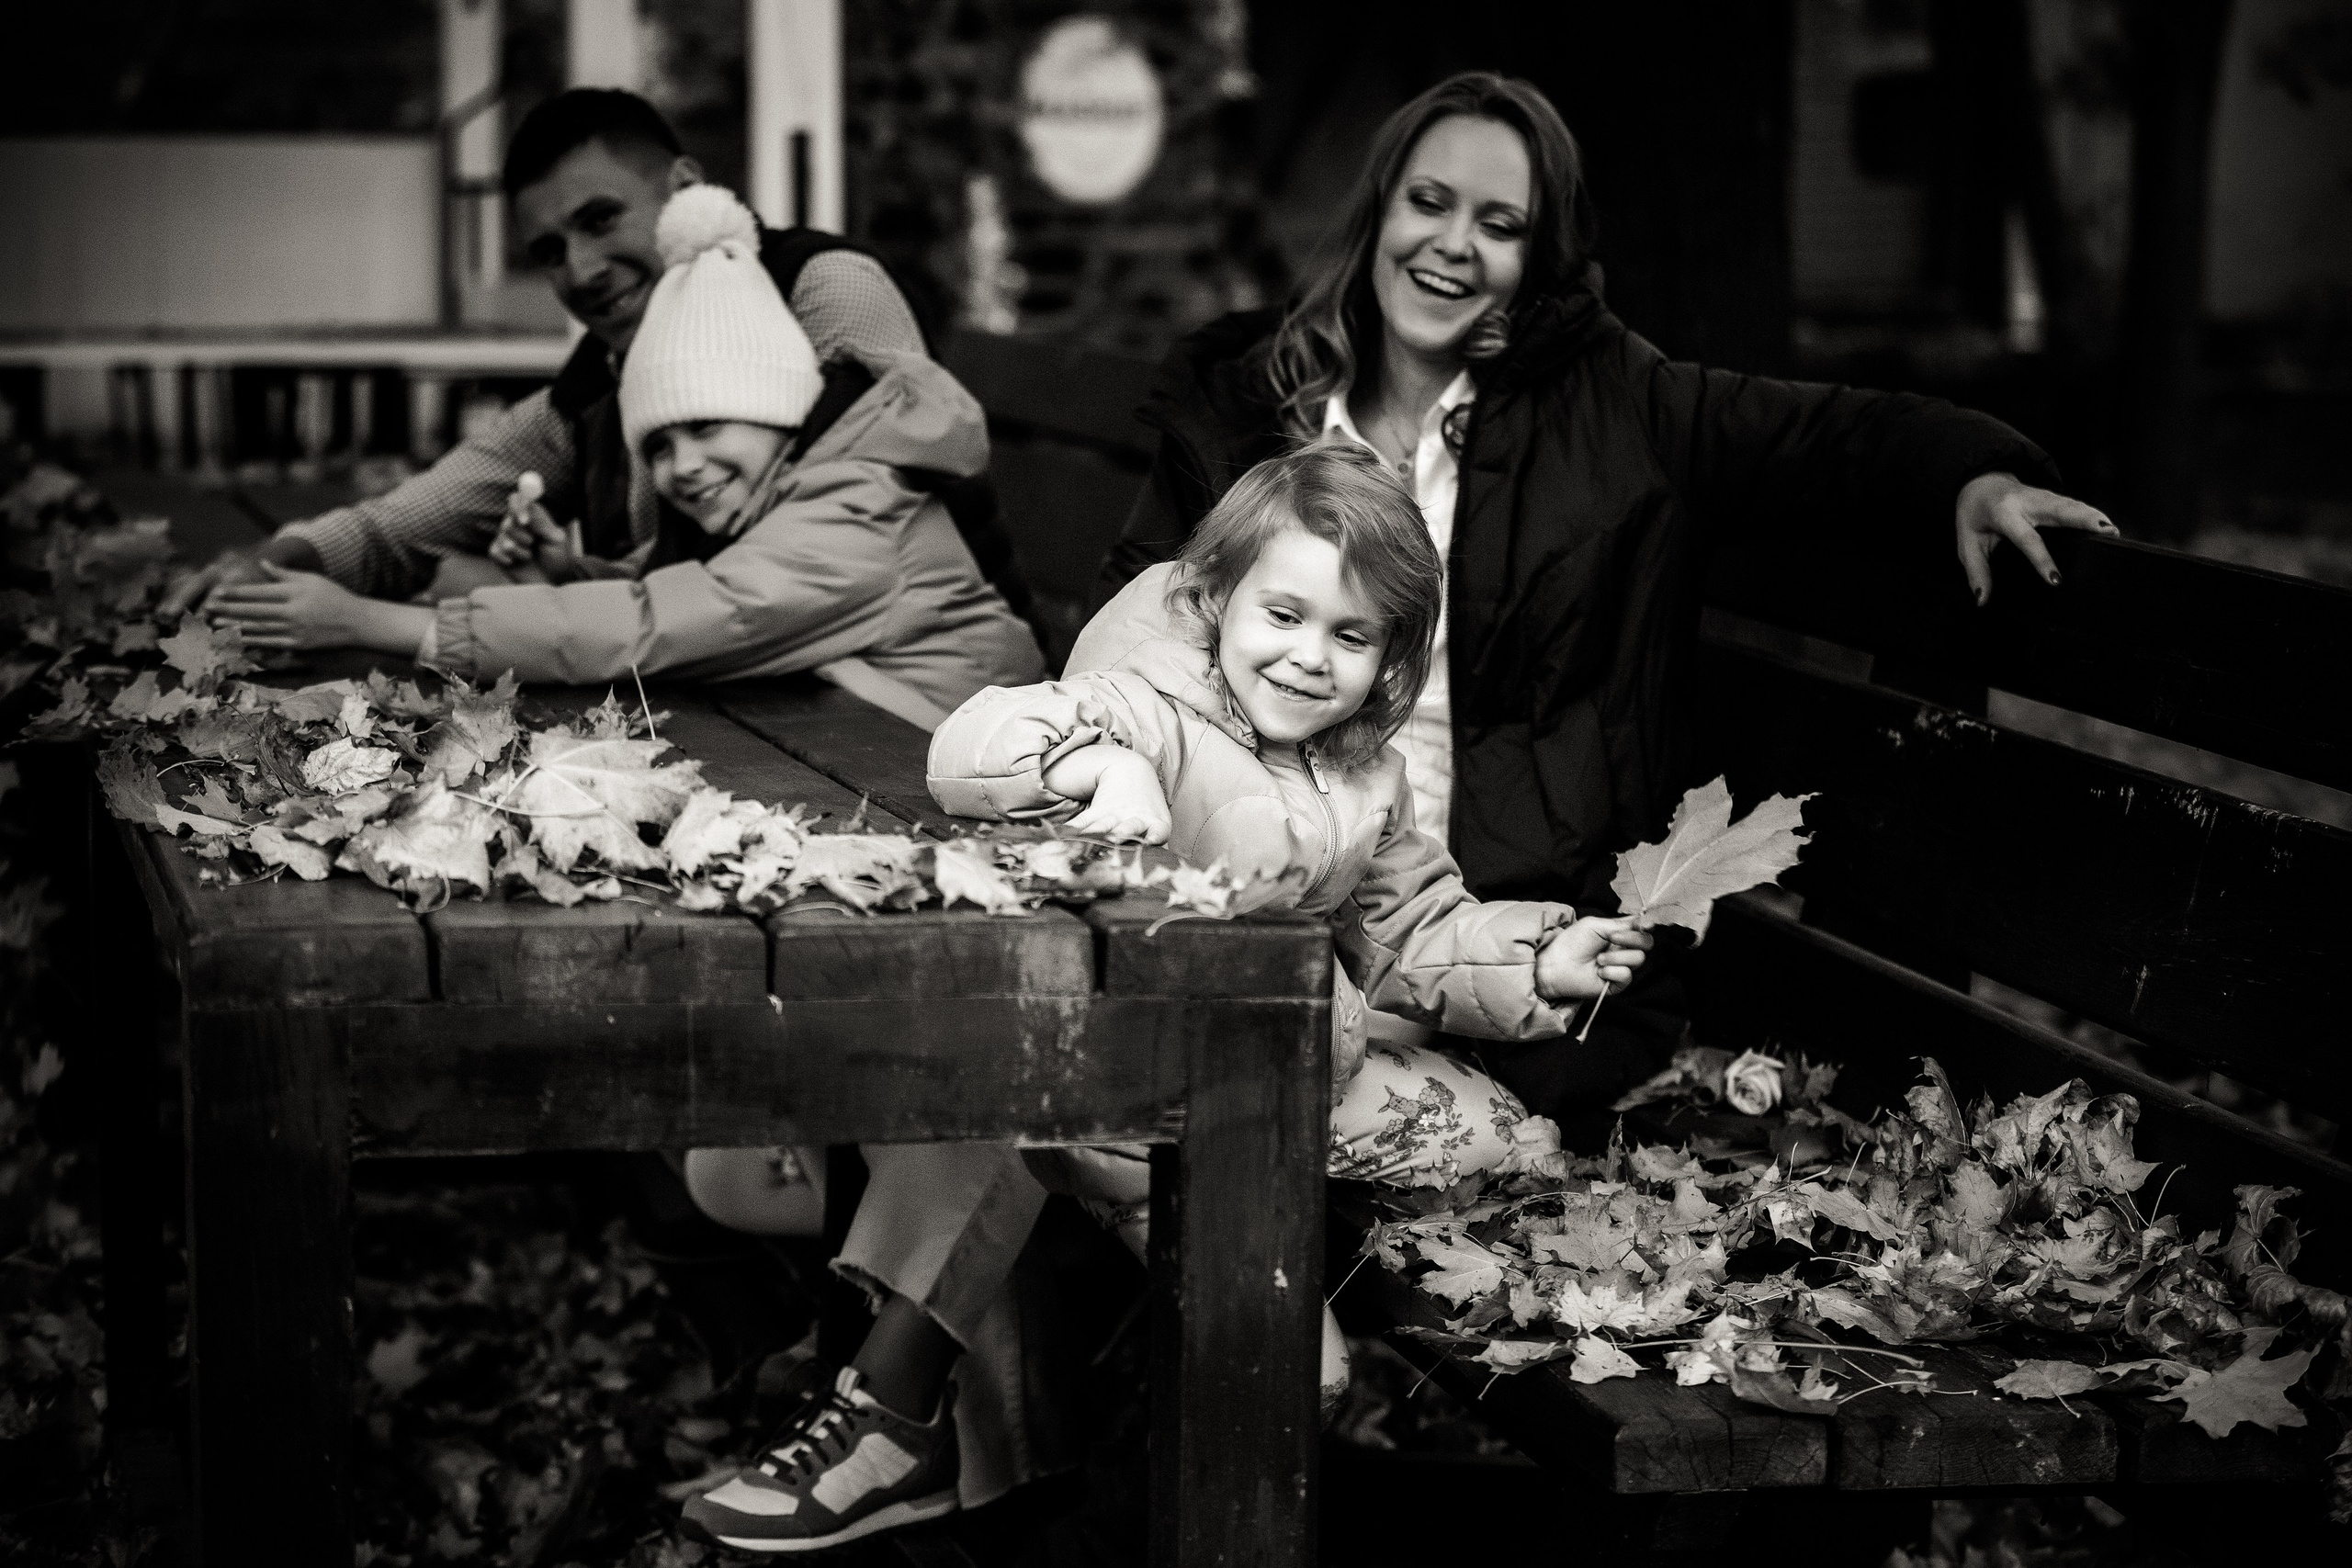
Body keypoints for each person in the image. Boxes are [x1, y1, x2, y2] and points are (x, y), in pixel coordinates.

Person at [1091, 72, 2117, 1137]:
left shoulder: (1620, 408)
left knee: (1127, 1102)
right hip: (1252, 881)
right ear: (1380, 209)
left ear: (1537, 259)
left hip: (1481, 943)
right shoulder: (1254, 405)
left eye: (1500, 225)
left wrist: (1975, 471)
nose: (1452, 244)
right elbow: (1134, 634)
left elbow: (1824, 436)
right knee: (1069, 1084)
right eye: (1429, 203)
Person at [923, 440, 1650, 1400]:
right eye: (1284, 615)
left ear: (1390, 654)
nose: (1309, 658)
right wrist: (1102, 768)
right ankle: (1163, 1227)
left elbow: (1414, 928)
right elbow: (972, 744)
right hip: (1129, 1091)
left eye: (1352, 638)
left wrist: (1543, 962)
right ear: (1219, 595)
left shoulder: (1361, 774)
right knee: (1300, 1381)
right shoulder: (1148, 707)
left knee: (1511, 1139)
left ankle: (1303, 1229)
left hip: (1285, 1069)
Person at [160, 86, 1033, 640]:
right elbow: (418, 516)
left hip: (898, 723)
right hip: (730, 707)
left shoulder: (823, 290)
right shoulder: (609, 375)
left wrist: (511, 598)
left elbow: (784, 573)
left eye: (601, 219)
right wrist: (279, 564)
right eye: (548, 249)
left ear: (686, 190)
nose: (578, 270)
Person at [208, 181, 1040, 720]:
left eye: (710, 427)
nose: (683, 466)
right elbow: (711, 596)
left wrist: (373, 622)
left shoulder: (856, 511)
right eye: (661, 443)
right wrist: (572, 578)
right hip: (876, 753)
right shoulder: (804, 495)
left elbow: (657, 626)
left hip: (999, 804)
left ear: (787, 418)